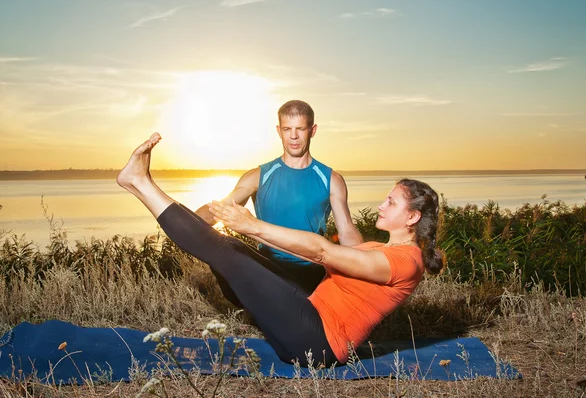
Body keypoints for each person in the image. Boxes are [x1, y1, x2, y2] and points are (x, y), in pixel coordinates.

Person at [117, 133, 445, 366]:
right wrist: (247, 231)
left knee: (226, 252)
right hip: (310, 317)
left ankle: (142, 184)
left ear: (412, 217)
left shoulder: (405, 262)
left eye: (391, 201)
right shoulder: (381, 249)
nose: (381, 204)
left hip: (317, 346)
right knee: (232, 247)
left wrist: (254, 225)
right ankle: (136, 183)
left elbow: (321, 253)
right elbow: (313, 254)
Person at [195, 100, 363, 298]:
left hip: (311, 271)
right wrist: (179, 219)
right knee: (227, 247)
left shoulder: (331, 179)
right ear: (279, 131)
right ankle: (256, 304)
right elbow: (217, 211)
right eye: (287, 129)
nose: (293, 136)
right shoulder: (258, 176)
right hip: (268, 268)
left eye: (300, 129)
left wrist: (368, 266)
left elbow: (347, 233)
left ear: (313, 130)